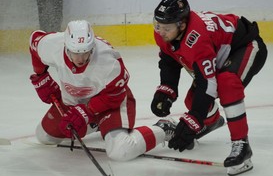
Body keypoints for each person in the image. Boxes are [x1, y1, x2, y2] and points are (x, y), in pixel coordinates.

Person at [151, 0, 267, 176]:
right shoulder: (165, 32)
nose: (160, 31)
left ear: (181, 24)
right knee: (193, 101)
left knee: (227, 83)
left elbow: (208, 84)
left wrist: (194, 119)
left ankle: (242, 146)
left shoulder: (197, 38)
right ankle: (211, 122)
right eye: (157, 25)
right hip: (220, 52)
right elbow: (170, 59)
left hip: (245, 46)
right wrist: (167, 90)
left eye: (166, 27)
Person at [29, 20, 176, 161]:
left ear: (92, 46)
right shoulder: (53, 44)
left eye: (86, 52)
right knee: (45, 136)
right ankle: (97, 124)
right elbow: (34, 41)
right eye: (76, 53)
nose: (81, 58)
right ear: (66, 46)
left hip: (110, 104)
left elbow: (114, 97)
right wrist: (41, 76)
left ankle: (164, 128)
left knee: (121, 151)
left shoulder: (108, 61)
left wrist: (87, 110)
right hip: (75, 100)